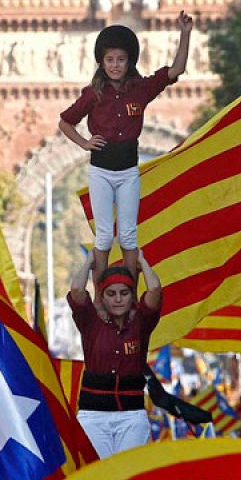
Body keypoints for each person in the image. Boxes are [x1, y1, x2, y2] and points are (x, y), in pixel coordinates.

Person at [58, 14, 194, 281]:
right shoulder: (93, 93)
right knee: (105, 235)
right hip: (101, 172)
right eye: (109, 60)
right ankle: (101, 294)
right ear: (101, 62)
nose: (115, 65)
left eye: (120, 59)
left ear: (130, 61)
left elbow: (175, 70)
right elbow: (65, 122)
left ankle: (129, 291)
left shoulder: (140, 89)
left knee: (129, 235)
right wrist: (85, 143)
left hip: (128, 172)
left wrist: (185, 33)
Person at [67, 247, 163, 457]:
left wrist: (142, 262)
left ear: (131, 296)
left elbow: (155, 290)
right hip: (93, 416)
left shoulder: (141, 323)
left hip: (132, 416)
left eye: (124, 293)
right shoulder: (90, 322)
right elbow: (76, 291)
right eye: (111, 294)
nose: (118, 299)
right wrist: (90, 260)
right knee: (98, 477)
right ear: (102, 297)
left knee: (127, 476)